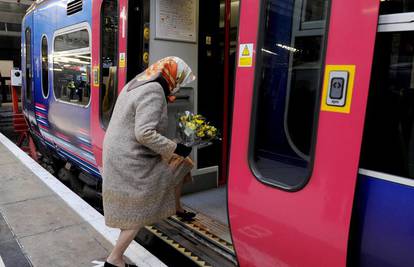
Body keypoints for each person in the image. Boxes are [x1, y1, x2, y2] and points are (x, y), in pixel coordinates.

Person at [102, 56, 195, 267]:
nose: (180, 85)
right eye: (180, 79)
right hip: (132, 156)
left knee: (183, 163)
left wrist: (173, 150)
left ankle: (176, 207)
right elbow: (144, 133)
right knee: (139, 207)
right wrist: (176, 147)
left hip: (122, 150)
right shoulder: (153, 91)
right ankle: (114, 259)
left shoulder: (138, 82)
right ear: (173, 75)